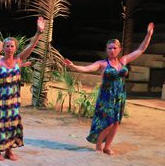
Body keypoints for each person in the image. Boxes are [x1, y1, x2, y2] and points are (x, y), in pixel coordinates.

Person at [64, 22, 154, 155]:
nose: (112, 50)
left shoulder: (123, 61)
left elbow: (140, 49)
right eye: (110, 48)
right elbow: (86, 69)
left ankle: (107, 147)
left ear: (119, 49)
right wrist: (73, 66)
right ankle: (99, 146)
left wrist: (149, 35)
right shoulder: (102, 64)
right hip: (106, 96)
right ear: (106, 50)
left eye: (114, 48)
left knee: (116, 122)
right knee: (109, 122)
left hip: (120, 96)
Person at [0, 17, 45, 161]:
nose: (9, 48)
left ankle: (8, 150)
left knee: (12, 125)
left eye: (12, 46)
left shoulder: (19, 61)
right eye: (7, 46)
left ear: (15, 48)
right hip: (0, 99)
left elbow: (31, 47)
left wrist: (39, 33)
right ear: (4, 48)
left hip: (14, 100)